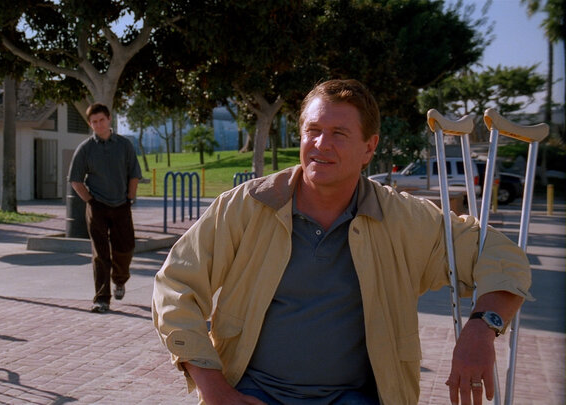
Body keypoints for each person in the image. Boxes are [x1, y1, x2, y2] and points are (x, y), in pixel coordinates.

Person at [152, 79, 531, 405]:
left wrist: (482, 326)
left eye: (339, 133)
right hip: (252, 391)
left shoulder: (404, 219)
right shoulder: (247, 206)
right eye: (313, 130)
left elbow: (500, 256)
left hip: (356, 397)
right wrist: (215, 389)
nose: (321, 144)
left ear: (369, 147)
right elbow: (176, 286)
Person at [68, 103, 142, 314]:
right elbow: (75, 179)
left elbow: (134, 174)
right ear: (90, 124)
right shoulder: (85, 149)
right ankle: (102, 299)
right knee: (100, 254)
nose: (98, 125)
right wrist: (90, 201)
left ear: (109, 119)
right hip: (97, 207)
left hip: (121, 205)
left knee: (125, 248)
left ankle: (120, 280)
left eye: (101, 120)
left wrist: (130, 197)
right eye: (94, 122)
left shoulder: (124, 145)